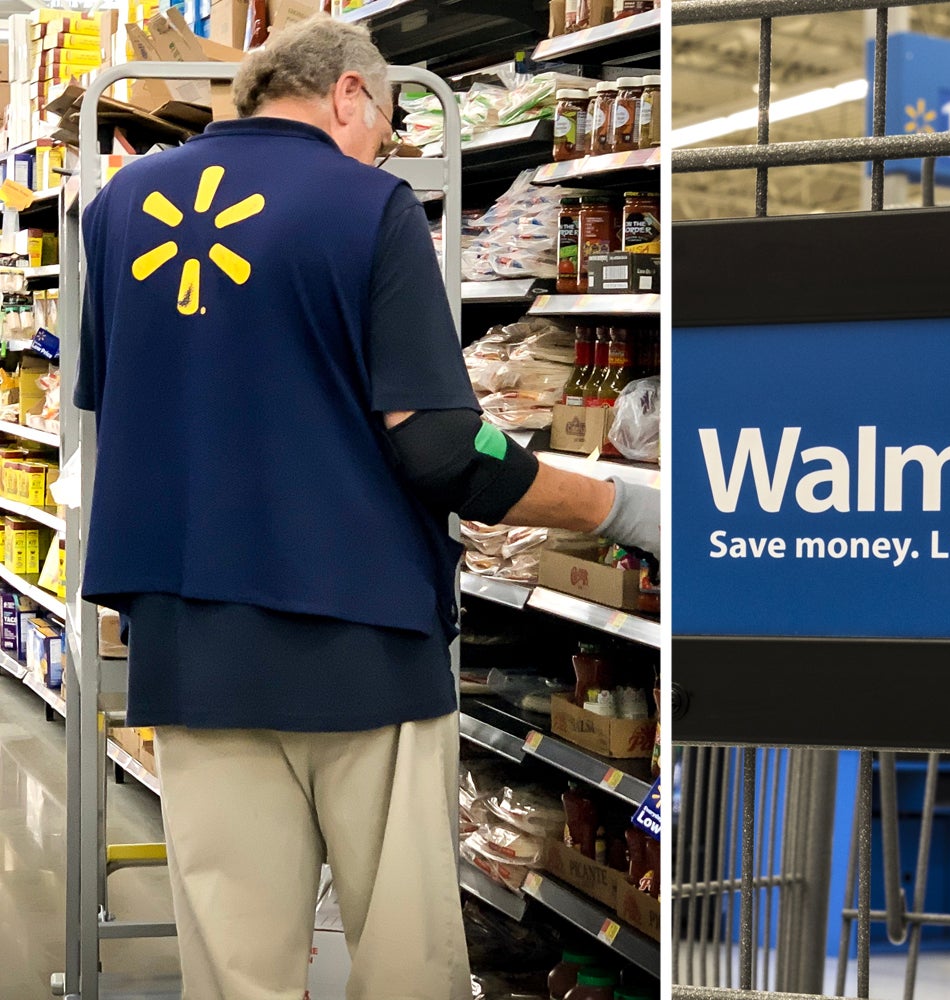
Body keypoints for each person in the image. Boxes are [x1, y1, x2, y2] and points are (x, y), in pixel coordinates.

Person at [72, 17, 659, 999]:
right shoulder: (367, 205)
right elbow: (441, 441)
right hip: (359, 649)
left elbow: (122, 405)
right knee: (400, 960)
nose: (385, 148)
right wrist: (614, 507)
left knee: (235, 966)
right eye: (387, 127)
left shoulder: (120, 205)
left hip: (190, 651)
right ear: (351, 94)